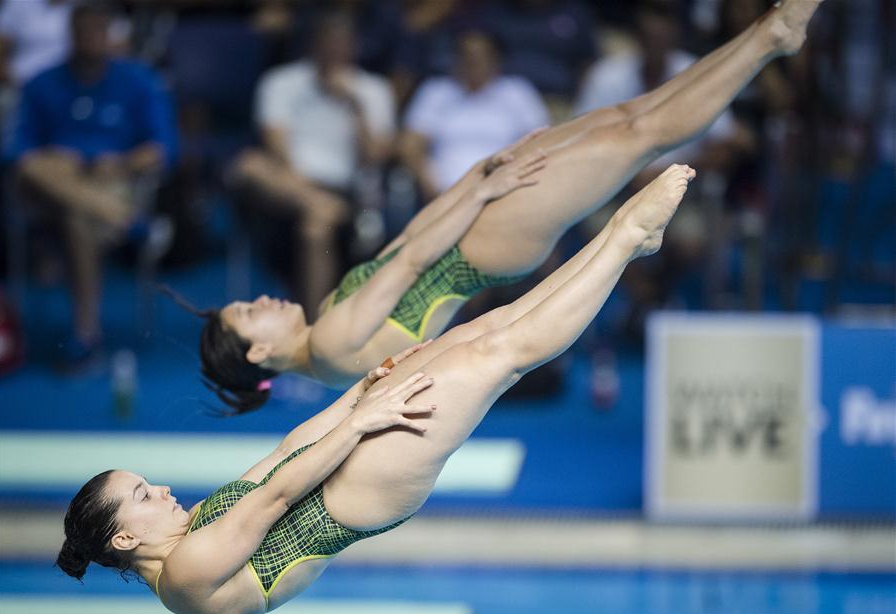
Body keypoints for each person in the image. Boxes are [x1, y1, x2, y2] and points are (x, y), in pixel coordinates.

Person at [58, 161, 696, 614]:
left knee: (484, 332)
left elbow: (279, 459)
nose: (161, 489)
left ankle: (625, 238)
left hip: (340, 473)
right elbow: (281, 494)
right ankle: (624, 241)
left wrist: (357, 393)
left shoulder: (189, 535)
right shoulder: (185, 573)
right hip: (351, 500)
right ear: (122, 539)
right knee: (501, 356)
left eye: (148, 483)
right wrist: (364, 421)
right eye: (143, 495)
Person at [198, 0, 824, 409]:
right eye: (251, 313)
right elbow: (414, 259)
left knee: (625, 118)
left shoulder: (328, 320)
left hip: (474, 222)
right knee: (641, 137)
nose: (263, 300)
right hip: (484, 243)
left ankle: (763, 35)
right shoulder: (331, 342)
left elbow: (402, 243)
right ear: (258, 353)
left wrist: (476, 176)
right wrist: (480, 187)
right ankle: (770, 39)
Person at [4, 2, 176, 368]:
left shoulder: (138, 80)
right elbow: (16, 153)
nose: (91, 40)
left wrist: (122, 162)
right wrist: (67, 159)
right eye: (84, 32)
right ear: (71, 35)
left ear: (112, 35)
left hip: (112, 182)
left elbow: (163, 150)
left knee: (77, 218)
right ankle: (127, 220)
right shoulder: (41, 82)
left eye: (100, 31)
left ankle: (85, 335)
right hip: (50, 189)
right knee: (37, 167)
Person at [228, 10, 396, 315]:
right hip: (289, 180)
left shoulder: (373, 90)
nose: (334, 49)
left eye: (341, 42)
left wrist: (355, 107)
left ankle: (311, 321)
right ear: (313, 44)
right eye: (327, 41)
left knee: (316, 227)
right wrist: (302, 186)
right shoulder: (281, 81)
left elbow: (375, 158)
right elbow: (274, 143)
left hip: (346, 188)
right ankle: (318, 202)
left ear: (354, 46)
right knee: (247, 164)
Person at [400, 28, 549, 201]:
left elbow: (541, 140)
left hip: (505, 192)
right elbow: (409, 146)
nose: (473, 62)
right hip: (442, 193)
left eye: (481, 56)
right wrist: (429, 184)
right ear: (456, 59)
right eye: (467, 56)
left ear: (496, 59)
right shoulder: (436, 91)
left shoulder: (517, 92)